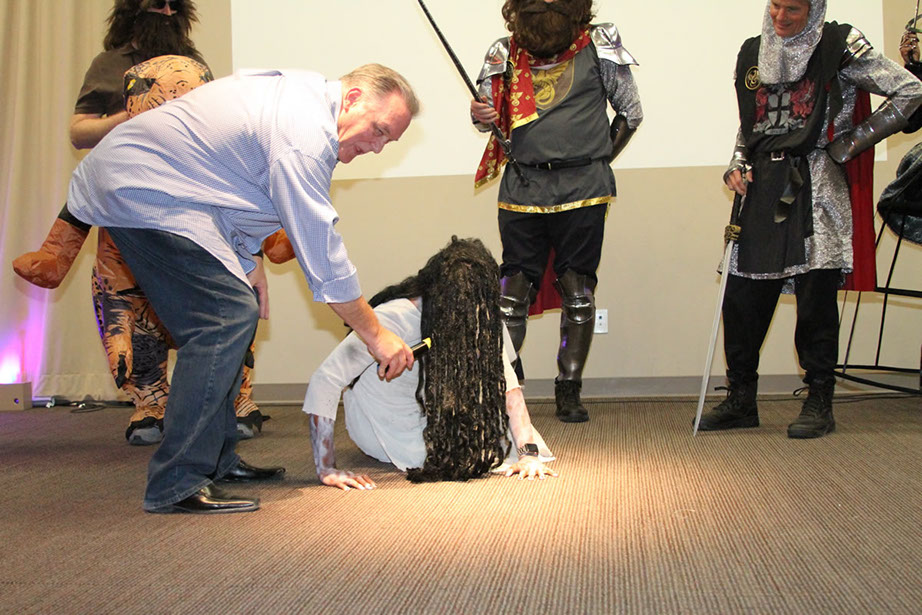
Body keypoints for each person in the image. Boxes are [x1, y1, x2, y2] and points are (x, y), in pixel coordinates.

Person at [64, 62, 421, 513]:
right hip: (139, 185)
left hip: (173, 193)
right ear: (352, 99)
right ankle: (177, 481)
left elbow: (234, 185)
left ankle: (216, 459)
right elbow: (321, 253)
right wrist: (377, 334)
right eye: (379, 131)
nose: (377, 147)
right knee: (222, 319)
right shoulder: (306, 133)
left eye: (388, 141)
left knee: (236, 310)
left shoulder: (306, 102)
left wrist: (249, 262)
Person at [13, 0, 268, 445]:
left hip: (194, 203)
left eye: (174, 6)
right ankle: (151, 403)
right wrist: (135, 115)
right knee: (131, 310)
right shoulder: (109, 64)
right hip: (130, 204)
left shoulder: (193, 63)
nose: (166, 12)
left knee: (224, 301)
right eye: (157, 4)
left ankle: (234, 400)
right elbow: (79, 131)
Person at [698, 0, 922, 438]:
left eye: (794, 9)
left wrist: (853, 141)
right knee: (741, 298)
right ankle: (741, 399)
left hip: (815, 181)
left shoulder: (840, 44)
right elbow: (752, 123)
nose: (781, 17)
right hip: (762, 186)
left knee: (815, 297)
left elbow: (910, 90)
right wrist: (738, 161)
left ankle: (819, 399)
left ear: (814, 8)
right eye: (775, 6)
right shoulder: (752, 51)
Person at [470, 0, 643, 424]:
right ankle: (505, 387)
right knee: (511, 293)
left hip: (584, 189)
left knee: (577, 292)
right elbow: (486, 117)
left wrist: (595, 160)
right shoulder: (504, 52)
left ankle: (569, 388)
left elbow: (631, 112)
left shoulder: (598, 44)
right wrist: (480, 114)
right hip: (522, 186)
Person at [303, 237, 557, 490]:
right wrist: (327, 468)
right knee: (466, 456)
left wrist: (528, 455)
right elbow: (325, 380)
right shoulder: (392, 318)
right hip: (378, 424)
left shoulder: (479, 315)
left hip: (431, 413)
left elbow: (508, 388)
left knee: (499, 441)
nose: (467, 311)